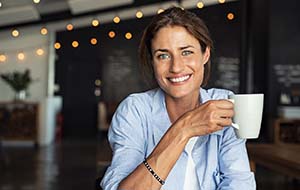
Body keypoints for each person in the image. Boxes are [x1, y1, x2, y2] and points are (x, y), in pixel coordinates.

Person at [101, 6, 255, 190]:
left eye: (186, 52)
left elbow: (239, 183)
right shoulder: (134, 111)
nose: (176, 67)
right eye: (163, 55)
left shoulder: (225, 105)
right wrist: (183, 129)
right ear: (152, 62)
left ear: (205, 54)